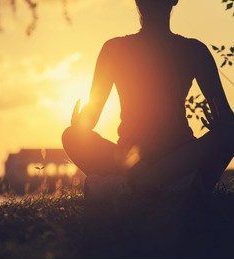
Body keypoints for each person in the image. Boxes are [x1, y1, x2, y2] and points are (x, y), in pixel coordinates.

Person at [62, 0, 234, 193]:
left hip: (175, 158)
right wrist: (80, 125)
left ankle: (144, 182)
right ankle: (162, 182)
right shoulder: (115, 49)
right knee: (72, 136)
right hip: (142, 160)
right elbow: (90, 119)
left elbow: (227, 118)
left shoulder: (194, 50)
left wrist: (222, 128)